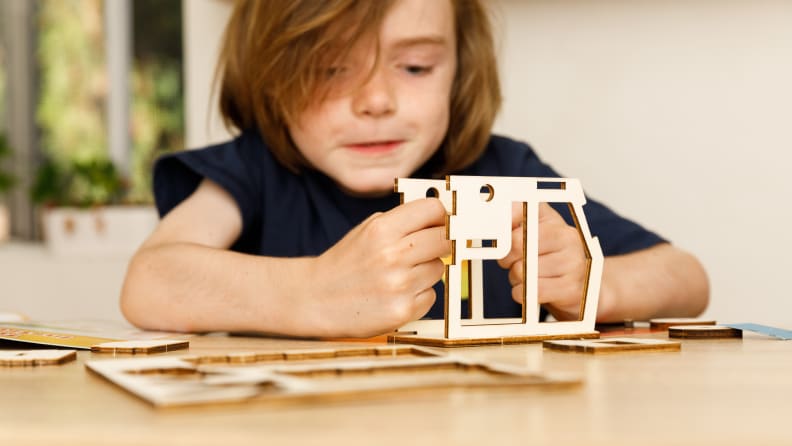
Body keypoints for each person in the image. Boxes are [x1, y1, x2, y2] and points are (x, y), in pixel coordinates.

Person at [120, 0, 709, 337]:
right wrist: (309, 293)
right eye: (331, 70)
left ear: (459, 68)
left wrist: (593, 286)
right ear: (269, 79)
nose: (375, 101)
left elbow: (686, 278)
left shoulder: (499, 170)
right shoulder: (256, 170)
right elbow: (150, 282)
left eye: (416, 67)